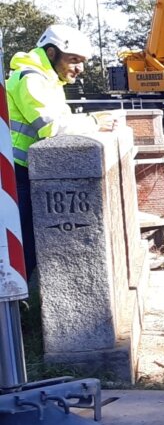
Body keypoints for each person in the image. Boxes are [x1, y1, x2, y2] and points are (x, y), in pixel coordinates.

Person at [6, 25, 93, 273]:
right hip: (14, 173)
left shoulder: (47, 80)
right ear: (52, 53)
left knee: (28, 242)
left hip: (21, 171)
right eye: (74, 60)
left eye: (82, 62)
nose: (80, 68)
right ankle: (18, 301)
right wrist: (97, 122)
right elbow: (53, 128)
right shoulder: (31, 79)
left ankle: (22, 298)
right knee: (22, 243)